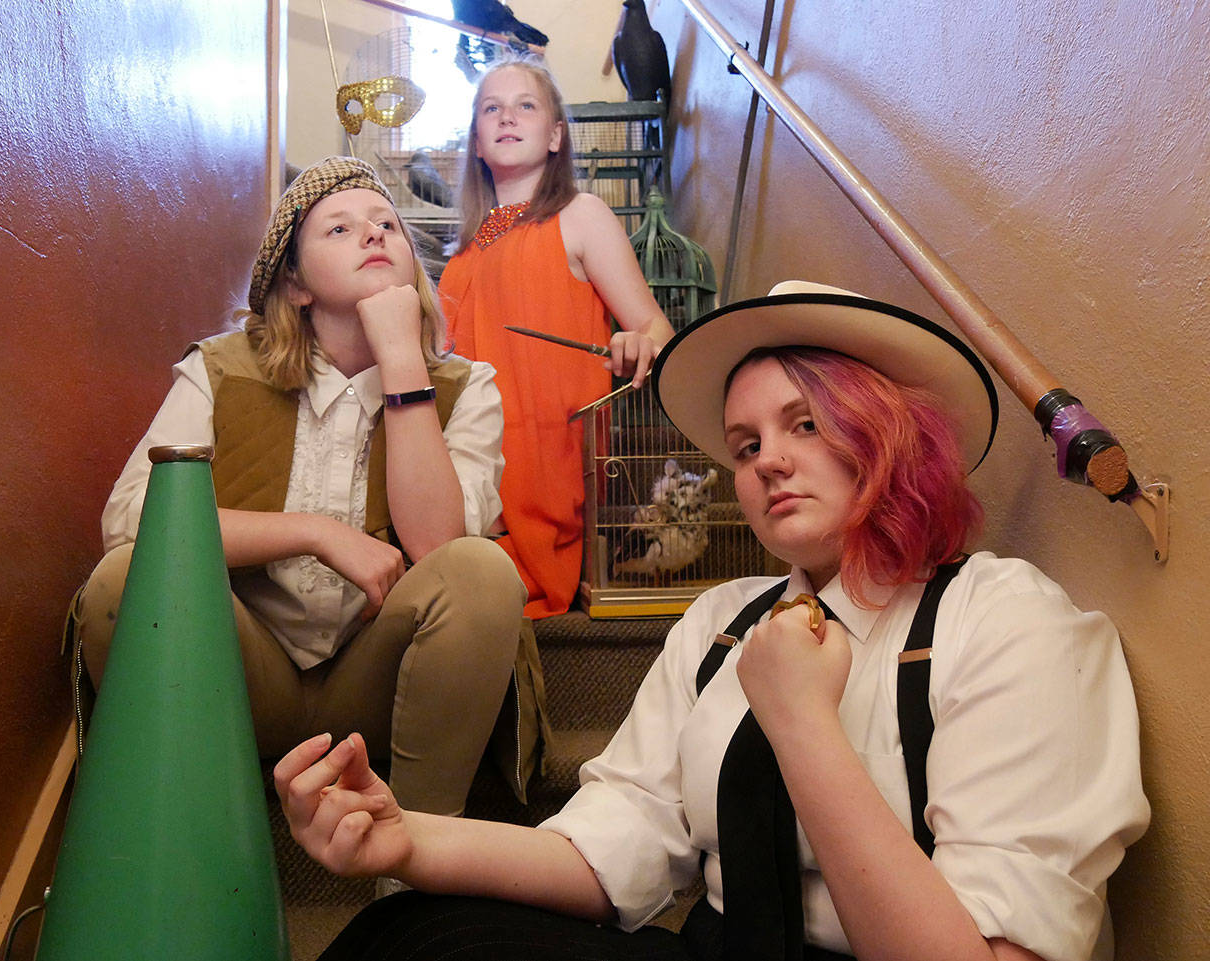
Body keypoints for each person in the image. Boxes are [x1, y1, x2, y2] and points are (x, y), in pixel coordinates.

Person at [275, 280, 1150, 961]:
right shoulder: (722, 622)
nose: (768, 460)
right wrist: (402, 838)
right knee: (413, 938)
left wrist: (800, 718)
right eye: (745, 445)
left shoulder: (1007, 621)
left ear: (886, 433)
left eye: (804, 423)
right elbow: (611, 848)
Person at [73, 156, 532, 818]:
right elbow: (129, 520)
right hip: (240, 677)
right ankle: (193, 833)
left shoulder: (468, 387)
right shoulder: (222, 369)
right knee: (120, 581)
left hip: (384, 684)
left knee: (483, 569)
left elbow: (439, 546)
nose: (373, 235)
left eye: (386, 225)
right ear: (295, 282)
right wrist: (317, 534)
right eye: (339, 230)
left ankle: (420, 854)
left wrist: (402, 358)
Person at [439, 56, 676, 619]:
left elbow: (655, 328)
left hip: (550, 454)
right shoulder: (462, 253)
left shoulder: (582, 214)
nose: (507, 117)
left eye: (526, 105)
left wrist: (637, 344)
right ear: (476, 140)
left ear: (555, 135)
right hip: (473, 458)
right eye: (491, 108)